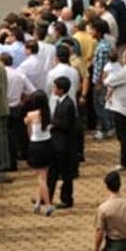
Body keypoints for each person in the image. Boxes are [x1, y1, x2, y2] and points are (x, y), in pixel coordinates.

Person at [48, 76, 77, 210]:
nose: (53, 89)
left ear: (61, 89)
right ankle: (47, 196)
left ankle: (66, 198)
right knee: (52, 172)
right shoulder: (60, 102)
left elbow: (67, 124)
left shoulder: (68, 104)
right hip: (57, 142)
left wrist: (53, 123)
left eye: (55, 87)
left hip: (64, 144)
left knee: (65, 173)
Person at [24, 90, 54, 215]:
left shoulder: (31, 115)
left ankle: (47, 204)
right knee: (43, 175)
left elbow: (29, 132)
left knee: (41, 178)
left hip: (36, 145)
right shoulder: (48, 113)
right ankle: (37, 202)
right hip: (47, 144)